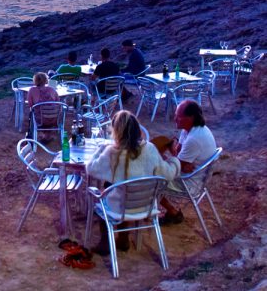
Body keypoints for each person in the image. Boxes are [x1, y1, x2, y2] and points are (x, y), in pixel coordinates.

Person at [86, 110, 180, 255]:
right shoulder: (149, 149)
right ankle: (123, 239)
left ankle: (105, 242)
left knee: (104, 198)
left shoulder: (112, 152)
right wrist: (174, 159)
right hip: (146, 206)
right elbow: (168, 174)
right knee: (121, 193)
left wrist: (101, 148)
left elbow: (91, 169)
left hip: (120, 207)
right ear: (137, 129)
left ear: (116, 131)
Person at [158, 99, 217, 225]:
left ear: (190, 118)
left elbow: (174, 169)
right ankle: (171, 212)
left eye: (178, 117)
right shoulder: (189, 129)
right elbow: (178, 156)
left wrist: (160, 156)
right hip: (193, 176)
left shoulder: (194, 139)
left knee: (149, 179)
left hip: (189, 183)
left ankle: (172, 212)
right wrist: (175, 157)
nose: (175, 119)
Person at [27, 72, 60, 142]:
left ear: (35, 80)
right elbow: (58, 103)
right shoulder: (52, 90)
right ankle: (48, 135)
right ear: (46, 80)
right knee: (49, 113)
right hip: (54, 119)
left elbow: (30, 105)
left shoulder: (32, 90)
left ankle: (39, 135)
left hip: (40, 120)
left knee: (33, 112)